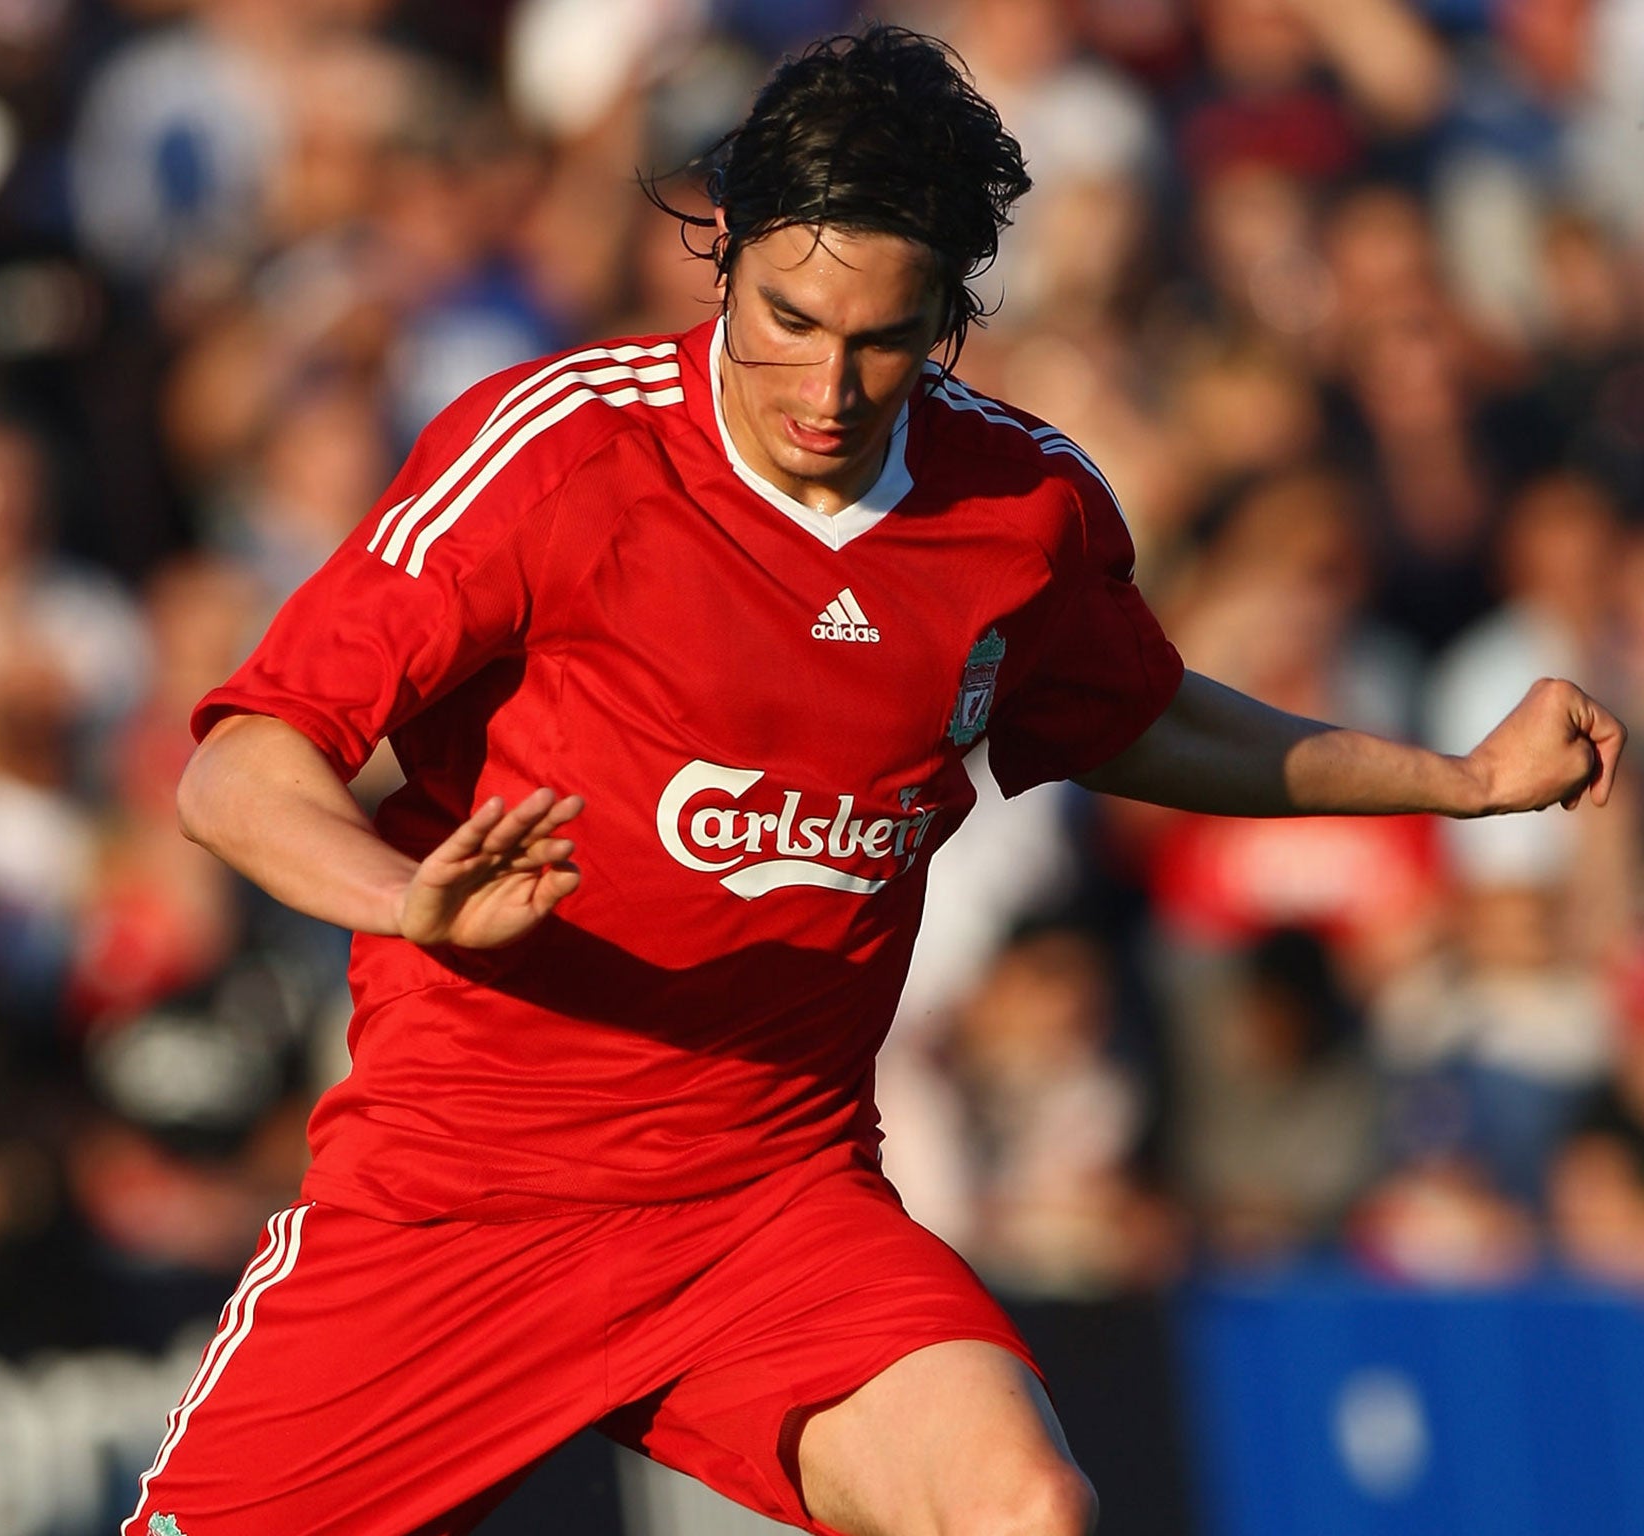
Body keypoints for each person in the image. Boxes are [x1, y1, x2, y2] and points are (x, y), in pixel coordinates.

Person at [129, 26, 1624, 1536]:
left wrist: (1457, 782)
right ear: (722, 263)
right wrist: (407, 901)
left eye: (884, 340)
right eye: (788, 318)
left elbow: (1140, 719)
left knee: (1026, 1511)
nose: (829, 388)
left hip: (768, 1203)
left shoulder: (1019, 512)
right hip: (461, 1199)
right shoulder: (559, 455)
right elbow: (242, 769)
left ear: (952, 315)